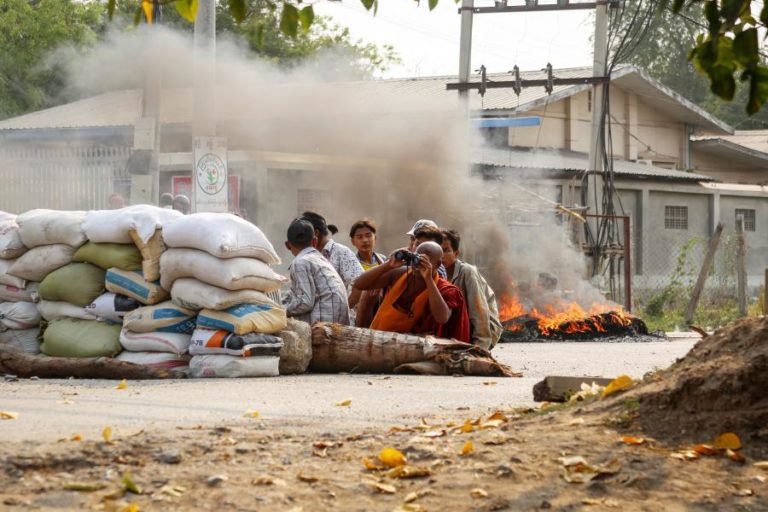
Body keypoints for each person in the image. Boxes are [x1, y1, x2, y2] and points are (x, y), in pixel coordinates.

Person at [355, 241, 470, 342]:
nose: (418, 264)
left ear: (438, 264)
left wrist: (428, 280)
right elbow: (359, 284)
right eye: (417, 259)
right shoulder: (399, 274)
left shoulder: (445, 289)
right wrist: (388, 265)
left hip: (408, 349)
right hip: (376, 339)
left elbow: (442, 318)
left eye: (424, 261)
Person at [441, 229, 503, 350]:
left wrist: (479, 349)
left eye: (446, 250)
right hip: (459, 325)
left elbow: (480, 312)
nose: (442, 255)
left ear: (456, 253)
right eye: (439, 250)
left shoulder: (467, 272)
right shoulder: (436, 273)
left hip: (485, 328)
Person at [282, 218, 350, 325]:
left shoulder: (300, 262)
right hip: (340, 323)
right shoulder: (321, 259)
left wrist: (280, 311)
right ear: (314, 241)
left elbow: (305, 302)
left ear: (287, 245)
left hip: (323, 326)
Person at [300, 211, 363, 307]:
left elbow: (360, 284)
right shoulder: (310, 255)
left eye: (304, 235)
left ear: (315, 233)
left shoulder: (341, 252)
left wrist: (343, 311)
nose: (302, 240)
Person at [349, 218, 387, 327]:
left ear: (375, 238)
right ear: (353, 241)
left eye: (368, 235)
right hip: (359, 316)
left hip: (382, 313)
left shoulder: (384, 260)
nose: (365, 240)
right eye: (359, 237)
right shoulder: (351, 264)